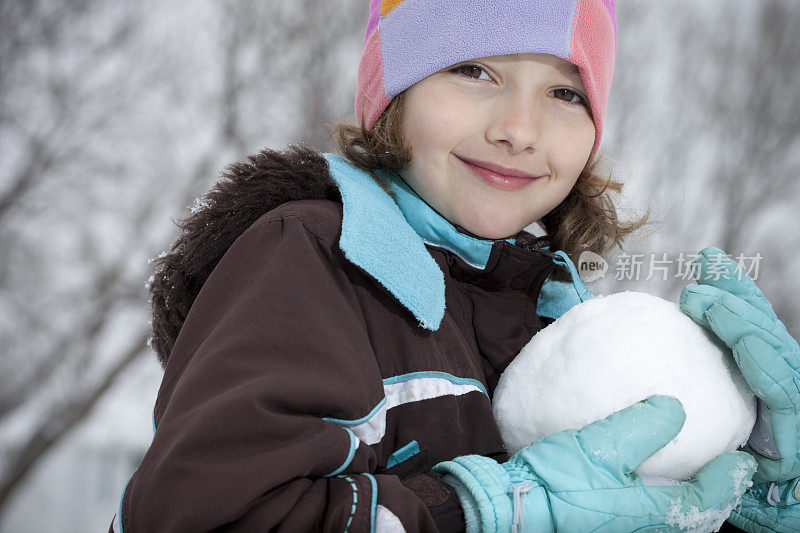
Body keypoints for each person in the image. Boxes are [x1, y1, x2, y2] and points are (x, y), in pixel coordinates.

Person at [110, 1, 800, 531]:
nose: (520, 130)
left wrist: (743, 499)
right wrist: (487, 509)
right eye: (475, 70)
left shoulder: (554, 319)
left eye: (565, 93)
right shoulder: (313, 259)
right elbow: (200, 515)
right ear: (394, 95)